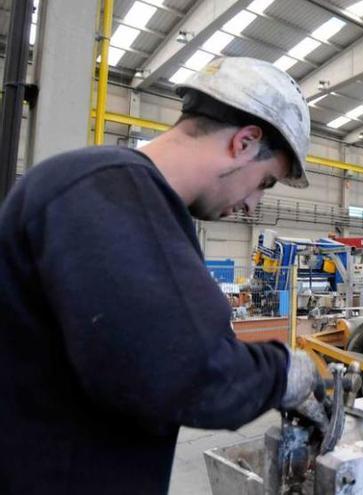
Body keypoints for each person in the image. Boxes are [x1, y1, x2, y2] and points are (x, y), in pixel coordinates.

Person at [0, 57, 326, 493]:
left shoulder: (138, 206)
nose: (253, 205)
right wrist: (283, 373)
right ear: (245, 143)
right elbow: (182, 372)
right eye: (265, 183)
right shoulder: (100, 191)